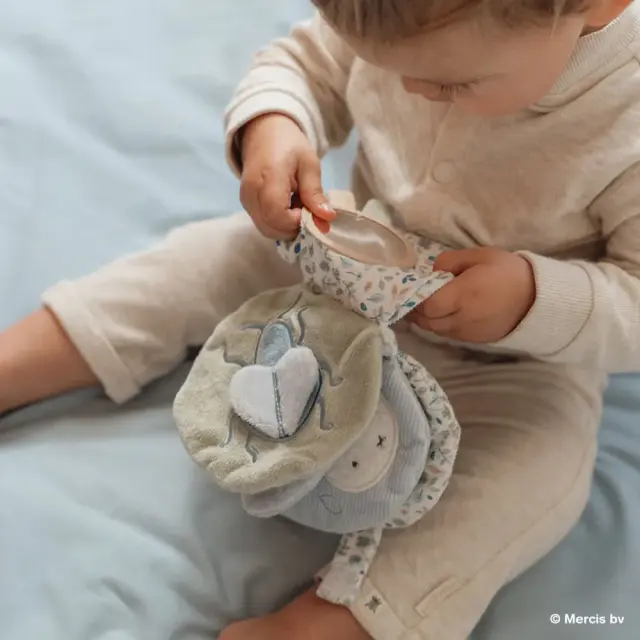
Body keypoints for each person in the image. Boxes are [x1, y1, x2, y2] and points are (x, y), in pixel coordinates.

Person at [1, 0, 639, 638]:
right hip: (342, 263)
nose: (412, 90)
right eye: (384, 67)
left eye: (452, 84)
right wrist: (273, 128)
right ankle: (18, 364)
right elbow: (304, 65)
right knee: (205, 263)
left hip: (517, 364)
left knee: (535, 477)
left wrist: (531, 300)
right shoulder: (401, 20)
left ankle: (332, 620)